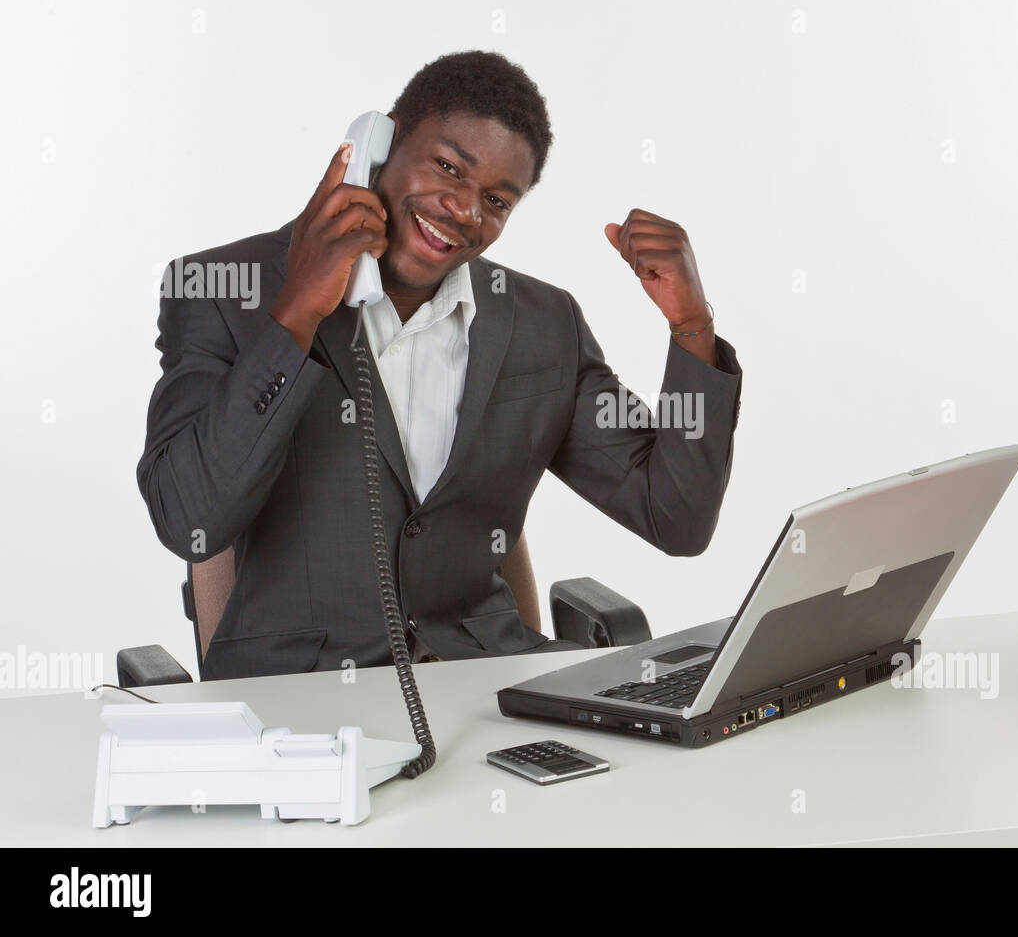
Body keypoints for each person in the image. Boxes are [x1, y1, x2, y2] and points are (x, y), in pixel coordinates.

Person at [137, 50, 742, 679]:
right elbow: (189, 521)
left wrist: (691, 329)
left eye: (498, 201)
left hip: (484, 693)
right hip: (302, 712)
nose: (466, 211)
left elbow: (676, 518)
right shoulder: (219, 290)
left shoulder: (541, 322)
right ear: (381, 142)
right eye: (449, 167)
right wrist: (296, 312)